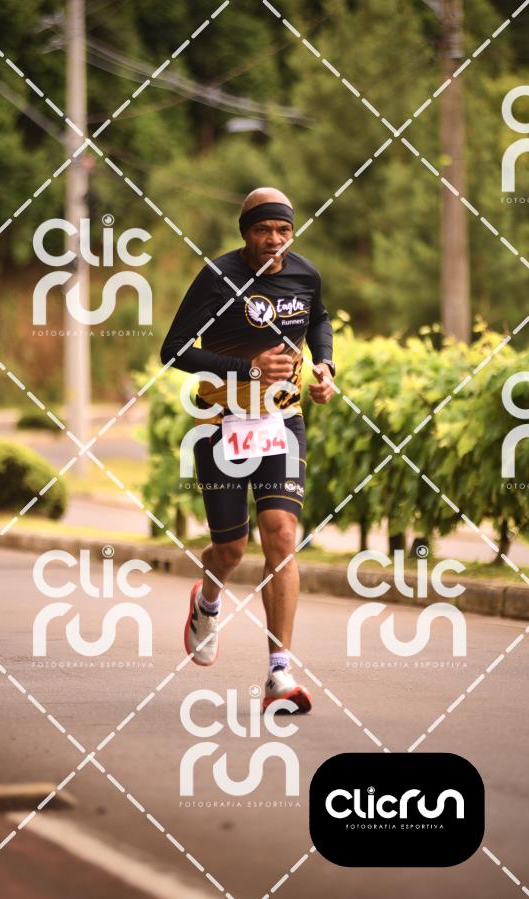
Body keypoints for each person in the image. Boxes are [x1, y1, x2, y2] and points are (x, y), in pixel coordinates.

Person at [160, 187, 335, 712]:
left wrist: (325, 365)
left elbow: (319, 320)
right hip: (221, 422)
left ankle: (279, 673)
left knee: (280, 533)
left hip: (282, 420)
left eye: (283, 230)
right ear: (246, 234)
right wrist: (248, 368)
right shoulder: (218, 277)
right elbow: (174, 351)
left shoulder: (305, 274)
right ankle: (208, 600)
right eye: (264, 230)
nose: (275, 240)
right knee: (231, 549)